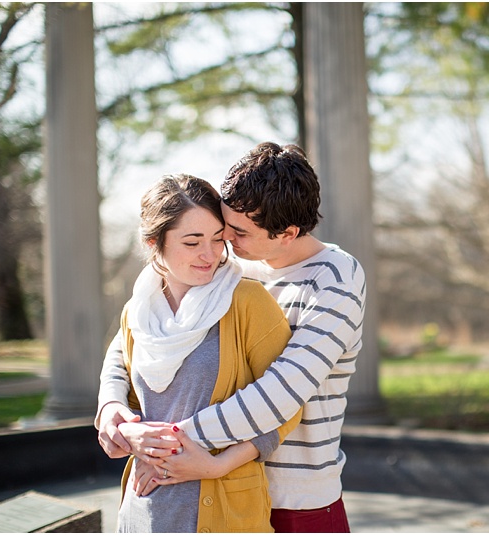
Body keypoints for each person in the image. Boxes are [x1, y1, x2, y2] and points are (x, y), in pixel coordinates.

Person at [97, 142, 366, 532]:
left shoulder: (335, 279)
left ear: (287, 233)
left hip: (297, 497)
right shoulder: (229, 266)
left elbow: (282, 390)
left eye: (237, 233)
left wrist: (164, 445)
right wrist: (111, 407)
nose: (224, 244)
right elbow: (130, 337)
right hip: (217, 488)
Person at [103, 174, 301, 532]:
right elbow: (130, 399)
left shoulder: (247, 301)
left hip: (224, 509)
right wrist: (130, 435)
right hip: (146, 510)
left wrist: (217, 464)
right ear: (154, 243)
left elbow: (287, 408)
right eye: (192, 242)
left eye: (216, 239)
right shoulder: (138, 311)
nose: (209, 254)